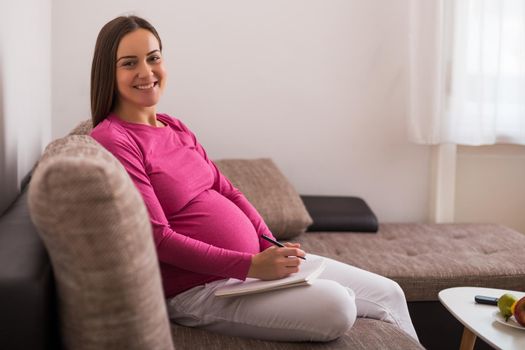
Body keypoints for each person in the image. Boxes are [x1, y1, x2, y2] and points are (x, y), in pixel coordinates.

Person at [89, 15, 419, 342]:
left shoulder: (173, 126)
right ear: (109, 72)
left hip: (254, 268)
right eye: (129, 63)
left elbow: (228, 190)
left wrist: (268, 243)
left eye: (154, 58)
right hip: (202, 289)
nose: (146, 72)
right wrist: (251, 266)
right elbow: (158, 238)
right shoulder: (114, 139)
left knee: (389, 292)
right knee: (339, 305)